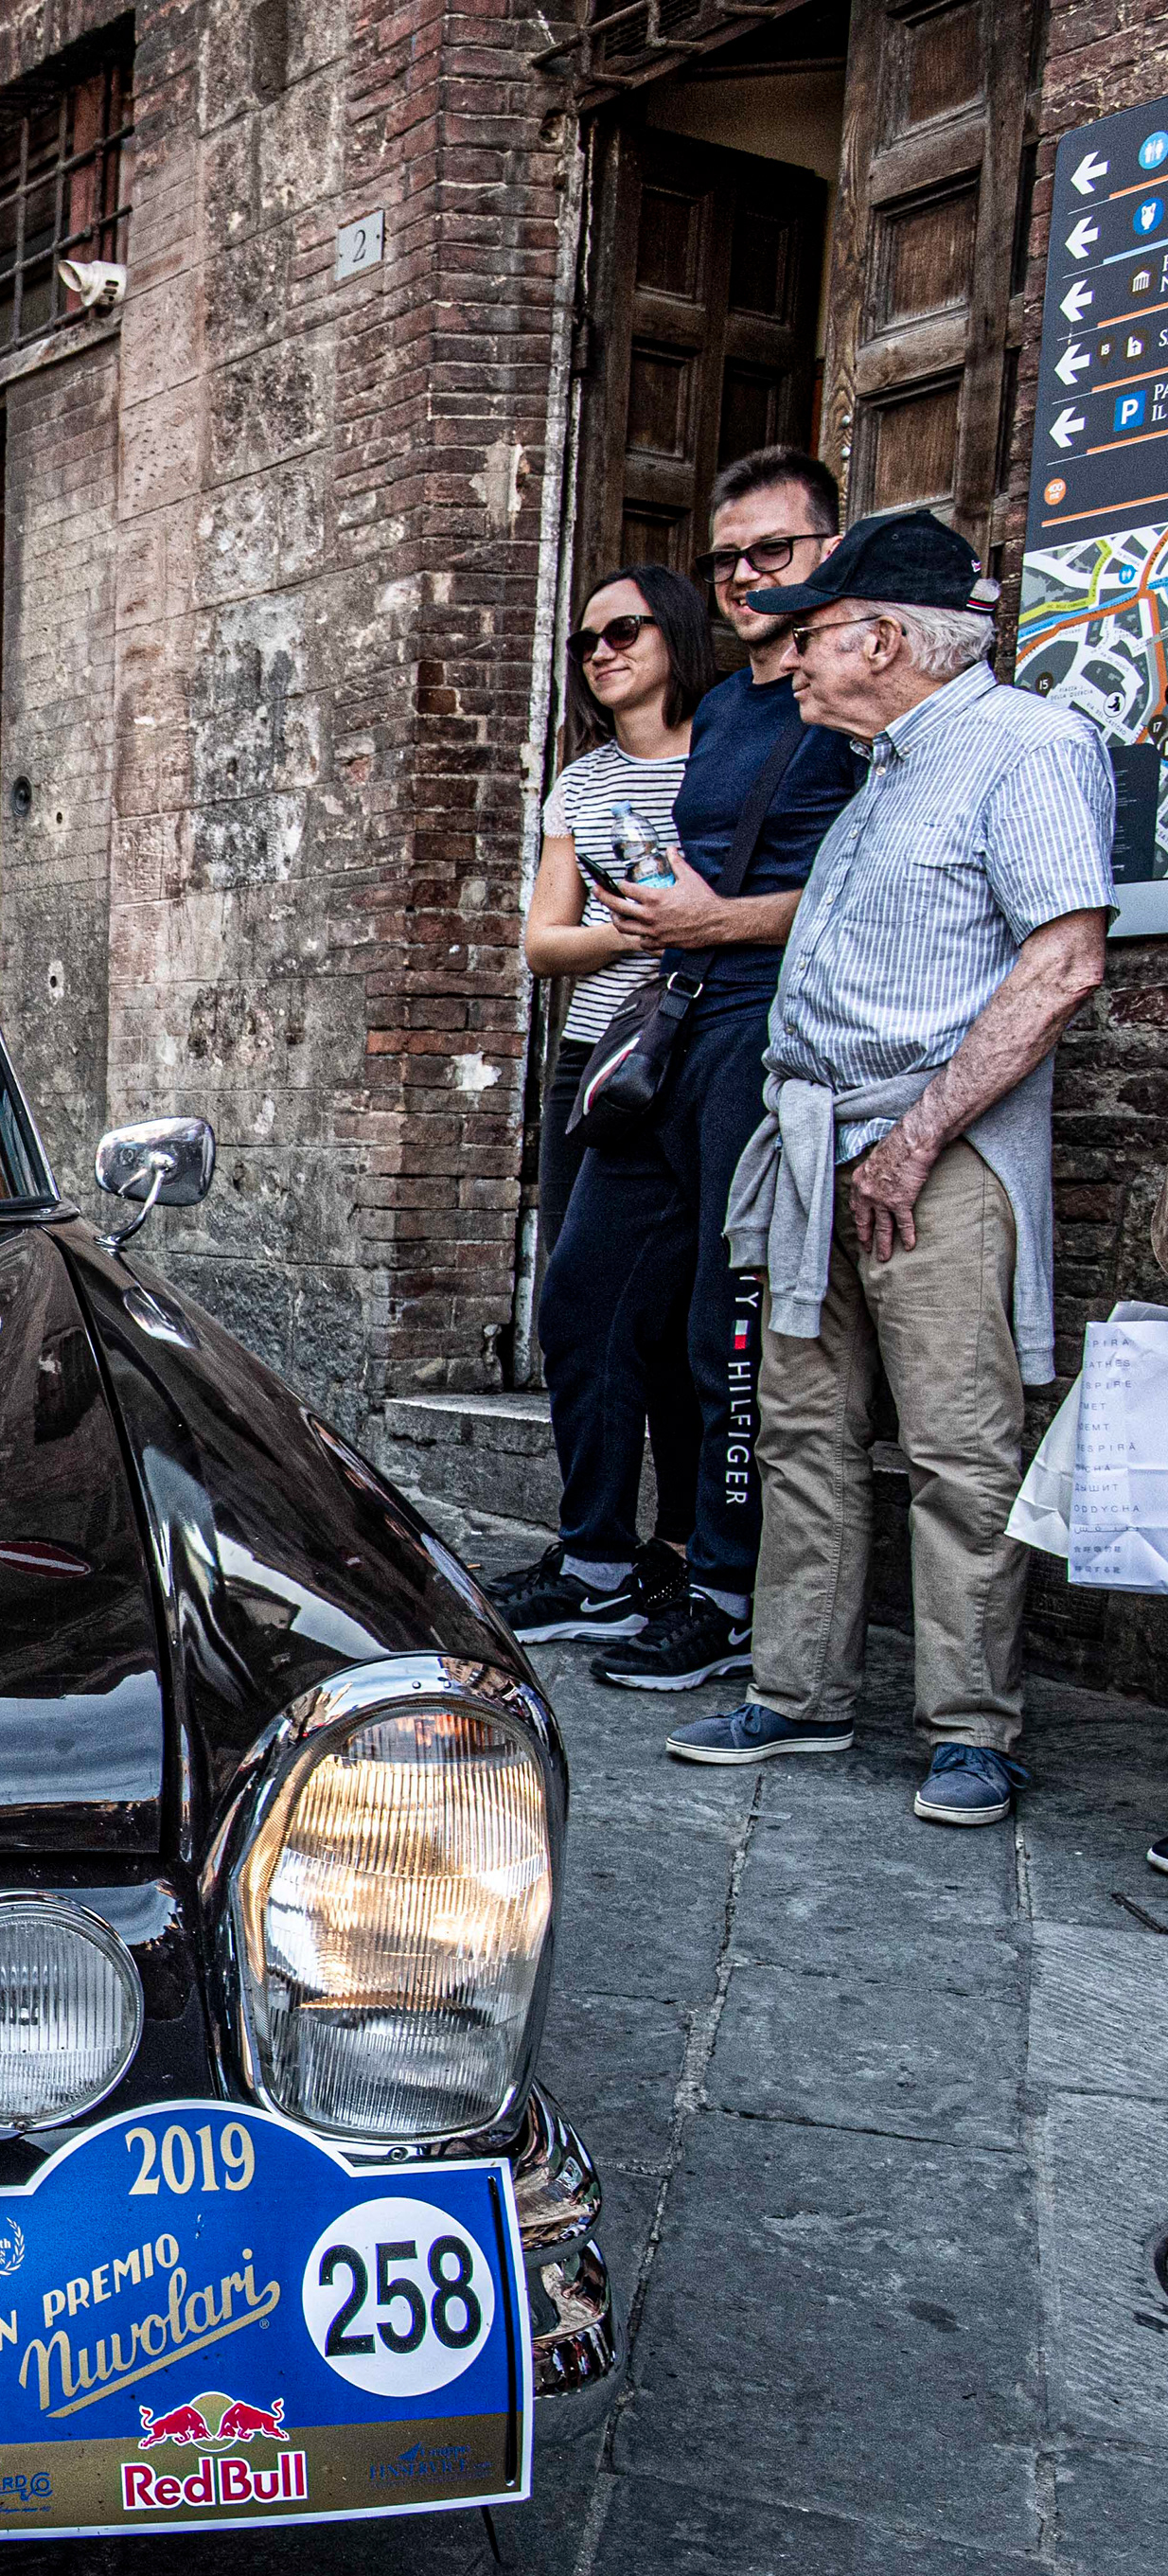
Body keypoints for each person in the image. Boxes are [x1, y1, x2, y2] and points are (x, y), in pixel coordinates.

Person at [673, 510, 1117, 1826]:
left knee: (957, 1447)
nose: (791, 659)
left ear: (881, 638)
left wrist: (916, 1137)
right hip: (819, 1146)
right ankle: (799, 1692)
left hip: (937, 1152)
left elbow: (1063, 964)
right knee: (803, 1430)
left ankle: (973, 1730)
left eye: (810, 635)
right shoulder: (880, 768)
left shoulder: (1028, 745)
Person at [548, 448, 864, 1693]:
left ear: (828, 551)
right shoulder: (729, 708)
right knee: (583, 1293)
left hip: (764, 1031)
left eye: (771, 550)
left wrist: (714, 921)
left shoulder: (848, 708)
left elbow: (862, 893)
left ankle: (724, 1592)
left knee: (722, 1326)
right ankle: (602, 1561)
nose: (743, 575)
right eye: (725, 557)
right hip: (673, 1026)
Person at [489, 564, 717, 1641]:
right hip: (596, 1060)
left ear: (675, 633)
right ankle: (601, 1550)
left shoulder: (727, 760)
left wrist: (683, 928)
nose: (602, 652)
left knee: (677, 1319)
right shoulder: (582, 784)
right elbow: (543, 943)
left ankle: (669, 1550)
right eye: (586, 641)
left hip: (697, 1053)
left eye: (623, 630)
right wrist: (640, 930)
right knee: (580, 1303)